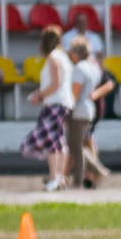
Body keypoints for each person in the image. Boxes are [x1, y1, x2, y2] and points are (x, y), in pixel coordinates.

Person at [21, 26, 74, 191]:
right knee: (58, 140)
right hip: (62, 102)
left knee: (51, 141)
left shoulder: (53, 57)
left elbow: (55, 84)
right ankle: (60, 177)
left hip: (55, 103)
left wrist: (39, 95)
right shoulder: (64, 57)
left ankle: (54, 177)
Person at [65, 31, 112, 187]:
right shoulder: (93, 66)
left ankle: (92, 172)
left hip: (83, 109)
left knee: (79, 145)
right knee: (83, 143)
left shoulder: (81, 68)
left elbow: (76, 94)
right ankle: (68, 175)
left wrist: (65, 111)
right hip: (91, 109)